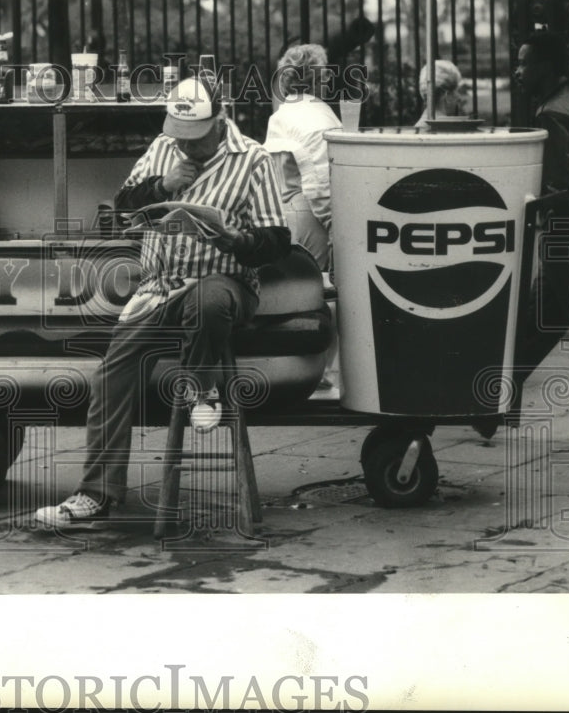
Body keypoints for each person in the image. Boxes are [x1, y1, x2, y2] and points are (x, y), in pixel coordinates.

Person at [35, 77, 291, 529]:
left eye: (196, 139)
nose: (187, 148)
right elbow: (122, 205)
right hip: (158, 285)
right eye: (181, 138)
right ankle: (96, 493)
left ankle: (201, 386)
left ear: (221, 120)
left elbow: (277, 242)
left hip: (224, 281)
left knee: (208, 300)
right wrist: (160, 187)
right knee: (111, 372)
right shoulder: (162, 149)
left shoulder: (254, 160)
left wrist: (236, 239)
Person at [513, 30, 569, 376]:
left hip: (563, 229)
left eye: (524, 63)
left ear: (546, 66)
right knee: (547, 317)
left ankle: (492, 402)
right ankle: (493, 403)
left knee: (546, 316)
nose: (517, 71)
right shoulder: (566, 100)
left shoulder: (553, 112)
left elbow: (563, 183)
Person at [263, 43, 340, 271]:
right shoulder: (318, 121)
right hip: (313, 222)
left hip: (282, 216)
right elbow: (322, 188)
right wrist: (338, 232)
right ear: (316, 80)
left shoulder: (280, 115)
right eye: (324, 74)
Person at [413, 59, 468, 129]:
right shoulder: (447, 129)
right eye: (457, 91)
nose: (459, 97)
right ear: (446, 94)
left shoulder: (419, 125)